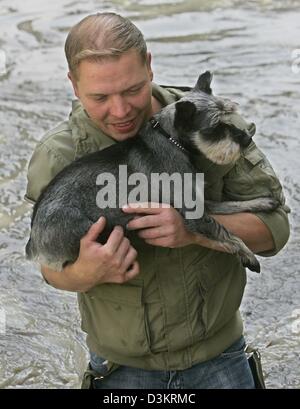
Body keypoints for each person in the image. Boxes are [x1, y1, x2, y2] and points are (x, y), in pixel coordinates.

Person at [25, 12, 290, 389]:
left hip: (220, 360)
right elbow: (48, 262)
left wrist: (193, 229)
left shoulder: (209, 123)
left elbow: (276, 231)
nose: (120, 111)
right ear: (73, 84)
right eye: (100, 97)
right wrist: (84, 273)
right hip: (120, 372)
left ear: (149, 66)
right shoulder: (59, 154)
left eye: (132, 89)